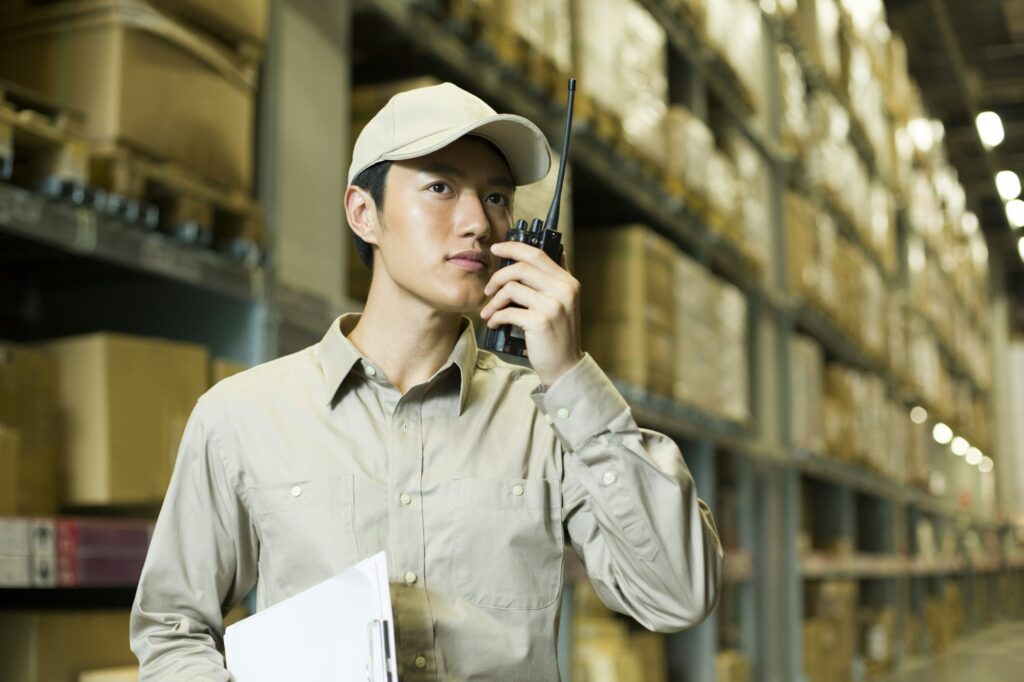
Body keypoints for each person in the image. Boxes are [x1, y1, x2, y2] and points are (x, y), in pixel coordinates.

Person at [130, 82, 723, 680]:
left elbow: (676, 594)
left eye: (496, 197)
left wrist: (569, 374)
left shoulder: (549, 420)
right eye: (440, 187)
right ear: (364, 213)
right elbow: (172, 628)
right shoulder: (243, 415)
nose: (477, 223)